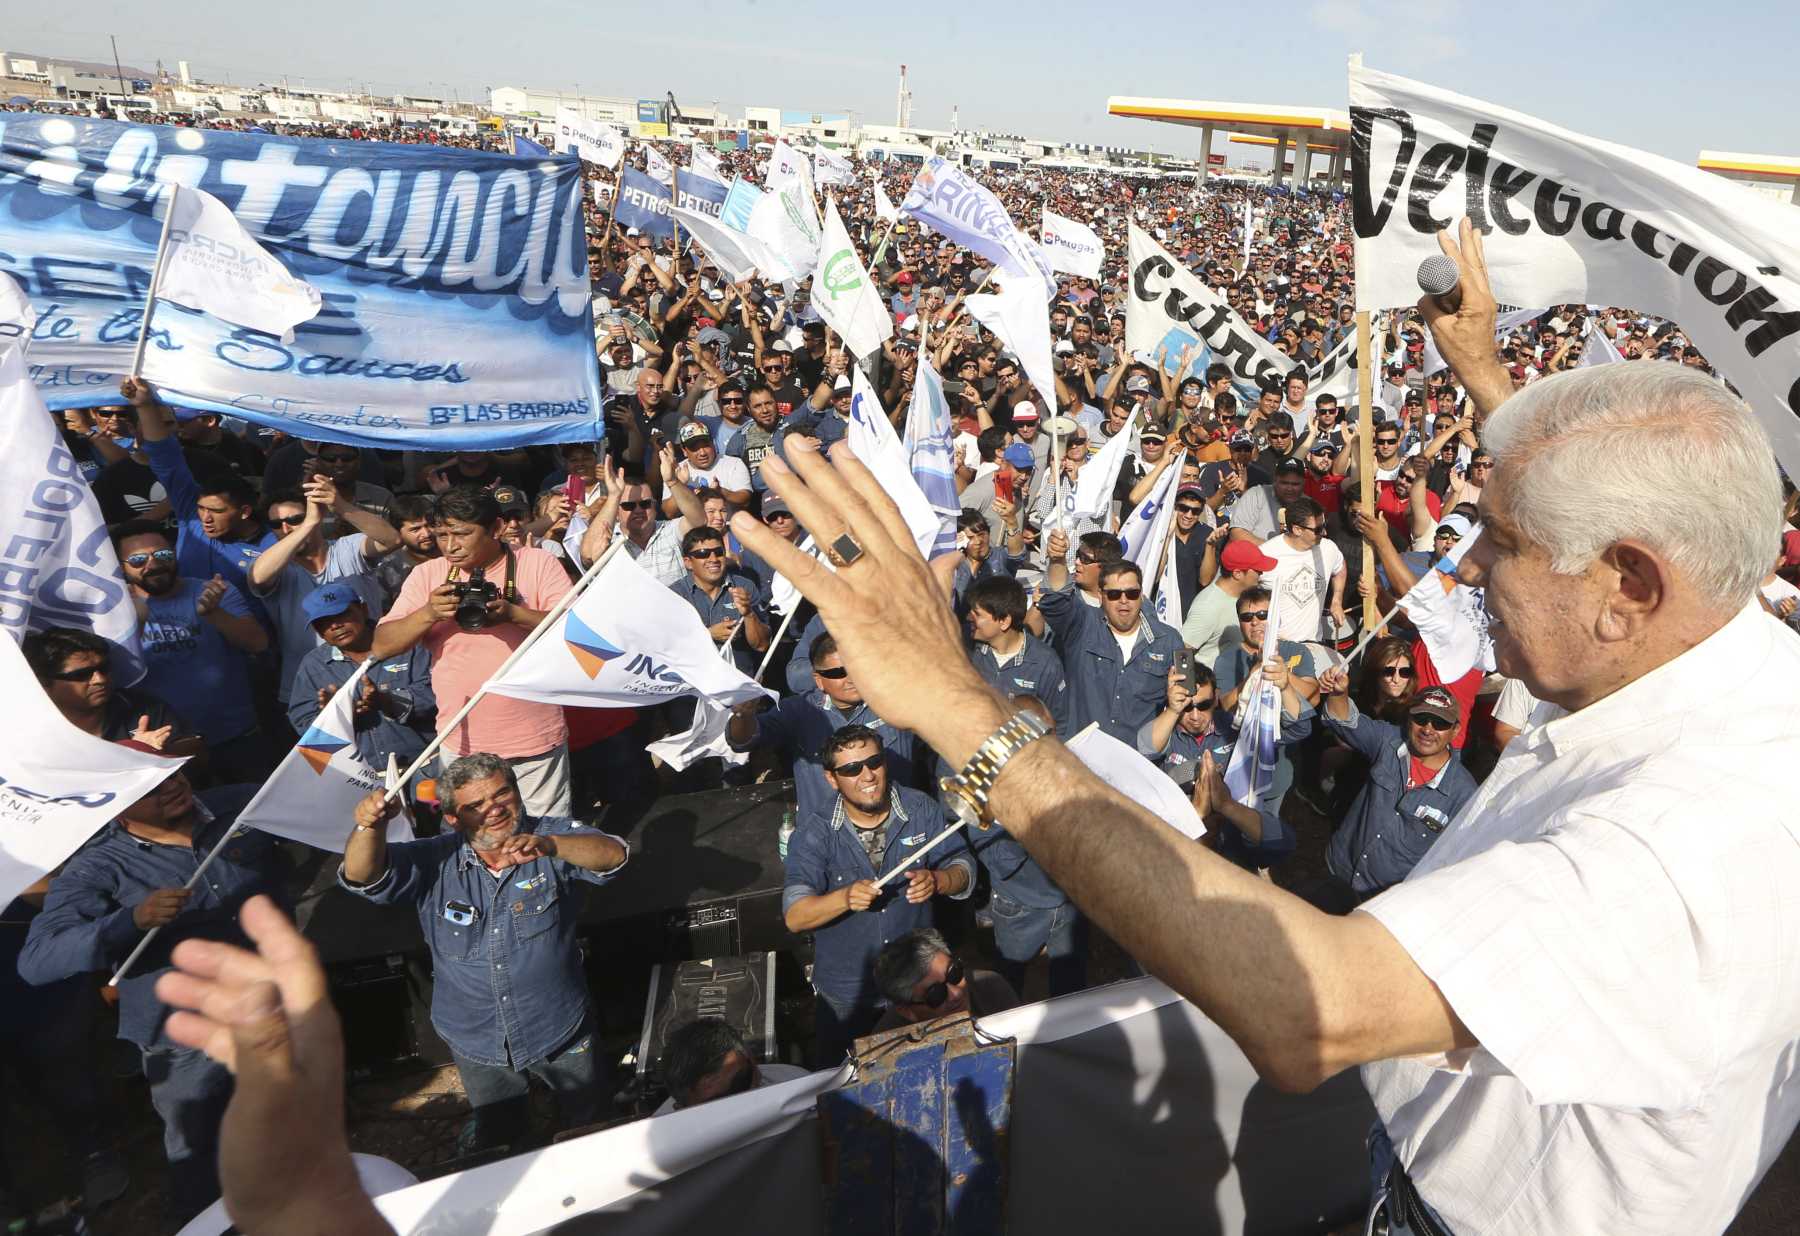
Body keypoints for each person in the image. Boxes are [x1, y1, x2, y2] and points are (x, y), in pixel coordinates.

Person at [725, 230, 1800, 1232]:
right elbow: (1624, 538)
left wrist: (958, 705)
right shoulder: (1728, 634)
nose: (1464, 568)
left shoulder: (1684, 852)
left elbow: (1310, 1012)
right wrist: (1486, 378)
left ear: (1629, 584)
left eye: (1503, 542)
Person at [19, 750, 278, 1223]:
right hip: (184, 1040)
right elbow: (37, 961)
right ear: (116, 805)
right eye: (150, 788)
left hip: (270, 1009)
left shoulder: (240, 808)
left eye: (174, 774)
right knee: (201, 1157)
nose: (172, 788)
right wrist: (129, 921)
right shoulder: (97, 868)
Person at [338, 757, 628, 1153]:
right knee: (501, 1139)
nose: (493, 809)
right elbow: (361, 876)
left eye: (501, 793)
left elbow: (613, 856)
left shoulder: (552, 837)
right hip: (477, 1039)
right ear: (454, 818)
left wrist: (552, 847)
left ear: (517, 791)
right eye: (475, 805)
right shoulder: (432, 859)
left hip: (559, 1026)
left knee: (592, 1125)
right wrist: (369, 826)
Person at [371, 485, 575, 816]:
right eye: (441, 535)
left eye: (462, 534)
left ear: (496, 528)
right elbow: (381, 645)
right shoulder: (429, 575)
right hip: (460, 739)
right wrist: (428, 613)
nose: (450, 546)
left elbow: (577, 634)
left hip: (534, 737)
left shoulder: (538, 563)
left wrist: (514, 615)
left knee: (545, 837)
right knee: (475, 839)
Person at [781, 726, 974, 1064]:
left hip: (922, 993)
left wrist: (940, 880)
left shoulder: (921, 809)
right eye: (851, 769)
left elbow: (965, 869)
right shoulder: (814, 833)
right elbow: (796, 916)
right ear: (831, 778)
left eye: (874, 762)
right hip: (849, 995)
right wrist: (843, 899)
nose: (867, 775)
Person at [114, 520, 277, 782]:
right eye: (138, 559)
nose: (153, 564)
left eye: (163, 554)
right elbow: (114, 677)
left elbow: (258, 643)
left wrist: (215, 614)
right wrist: (135, 623)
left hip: (236, 737)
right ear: (120, 567)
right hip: (164, 746)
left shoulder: (212, 591)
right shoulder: (113, 610)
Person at [1314, 672, 1479, 906]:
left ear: (1455, 731)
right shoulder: (1388, 741)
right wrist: (1339, 693)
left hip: (1389, 902)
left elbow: (1456, 862)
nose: (1428, 729)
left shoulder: (1465, 794)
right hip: (1339, 870)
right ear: (1408, 720)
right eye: (1421, 718)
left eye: (1440, 723)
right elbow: (1343, 721)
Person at [122, 379, 277, 619]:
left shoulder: (273, 545)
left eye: (216, 511)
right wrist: (144, 406)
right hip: (187, 638)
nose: (204, 518)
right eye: (202, 509)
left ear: (244, 511)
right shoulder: (190, 515)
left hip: (249, 644)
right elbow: (166, 458)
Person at [728, 633, 922, 821]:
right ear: (818, 680)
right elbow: (743, 741)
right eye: (838, 672)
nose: (851, 678)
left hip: (897, 826)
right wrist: (743, 714)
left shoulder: (899, 701)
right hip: (825, 834)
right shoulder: (798, 710)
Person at [249, 477, 397, 704]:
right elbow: (258, 576)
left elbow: (392, 539)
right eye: (276, 525)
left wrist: (341, 506)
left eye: (295, 519)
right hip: (310, 685)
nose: (285, 529)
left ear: (318, 518)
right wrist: (306, 524)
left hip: (375, 673)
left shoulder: (347, 547)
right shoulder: (276, 563)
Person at [1137, 664, 1292, 870]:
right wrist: (1174, 710)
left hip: (1231, 842)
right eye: (1185, 706)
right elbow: (1145, 748)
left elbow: (1285, 844)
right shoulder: (1166, 730)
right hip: (1180, 847)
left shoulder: (1234, 728)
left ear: (1216, 698)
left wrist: (1226, 805)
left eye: (1203, 705)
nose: (1194, 716)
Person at [1037, 529, 1184, 743]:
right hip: (1080, 759)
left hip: (1137, 762)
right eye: (1114, 594)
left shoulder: (1170, 640)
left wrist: (1175, 704)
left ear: (1141, 595)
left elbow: (1186, 695)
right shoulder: (1083, 624)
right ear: (1101, 596)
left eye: (1132, 594)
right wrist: (1057, 560)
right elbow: (1056, 601)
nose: (1124, 600)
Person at [286, 584, 437, 773]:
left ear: (364, 609)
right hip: (363, 781)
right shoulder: (313, 666)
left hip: (425, 768)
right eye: (323, 622)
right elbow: (306, 730)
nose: (335, 626)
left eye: (342, 615)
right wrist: (335, 717)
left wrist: (388, 701)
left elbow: (441, 695)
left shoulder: (407, 642)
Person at [21, 625, 203, 763]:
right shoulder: (25, 730)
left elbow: (197, 751)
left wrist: (159, 752)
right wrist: (130, 752)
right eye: (82, 675)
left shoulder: (142, 706)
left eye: (104, 668)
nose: (99, 679)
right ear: (43, 682)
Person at [963, 576, 1071, 735]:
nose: (968, 618)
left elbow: (1059, 725)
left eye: (977, 614)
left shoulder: (1045, 663)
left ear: (1004, 621)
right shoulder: (967, 649)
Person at [870, 929, 1019, 1032]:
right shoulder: (885, 1047)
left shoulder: (991, 985)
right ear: (908, 1012)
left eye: (954, 973)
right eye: (936, 994)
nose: (956, 994)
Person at [651, 1019, 808, 1115]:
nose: (736, 1104)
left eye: (740, 1082)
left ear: (752, 1060)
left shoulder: (798, 1085)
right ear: (679, 1109)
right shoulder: (663, 1153)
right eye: (714, 1104)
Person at [670, 526, 770, 675]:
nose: (713, 559)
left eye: (718, 552)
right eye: (703, 554)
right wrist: (708, 635)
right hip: (693, 686)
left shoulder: (745, 587)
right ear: (688, 562)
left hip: (740, 685)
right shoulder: (674, 595)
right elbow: (667, 648)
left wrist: (749, 614)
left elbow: (762, 645)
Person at [1258, 496, 1347, 644]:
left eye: (1324, 526)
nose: (1324, 533)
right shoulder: (1266, 554)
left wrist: (1337, 601)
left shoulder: (1328, 548)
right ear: (1297, 529)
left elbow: (1340, 567)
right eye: (1318, 529)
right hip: (1275, 644)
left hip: (1313, 643)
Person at [1182, 539, 1276, 671]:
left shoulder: (1246, 598)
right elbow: (1182, 653)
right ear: (1237, 573)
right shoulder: (1208, 606)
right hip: (1217, 687)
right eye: (1257, 570)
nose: (1261, 574)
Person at [371, 494, 441, 612]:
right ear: (398, 532)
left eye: (430, 525)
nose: (426, 534)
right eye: (415, 529)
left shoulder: (455, 556)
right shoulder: (388, 568)